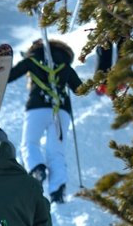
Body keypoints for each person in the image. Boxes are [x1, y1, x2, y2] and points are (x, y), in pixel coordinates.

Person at [7, 39, 83, 204]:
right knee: (56, 151)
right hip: (61, 111)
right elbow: (79, 89)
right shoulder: (65, 66)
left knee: (30, 144)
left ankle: (37, 169)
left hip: (37, 108)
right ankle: (57, 191)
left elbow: (9, 76)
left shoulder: (32, 60)